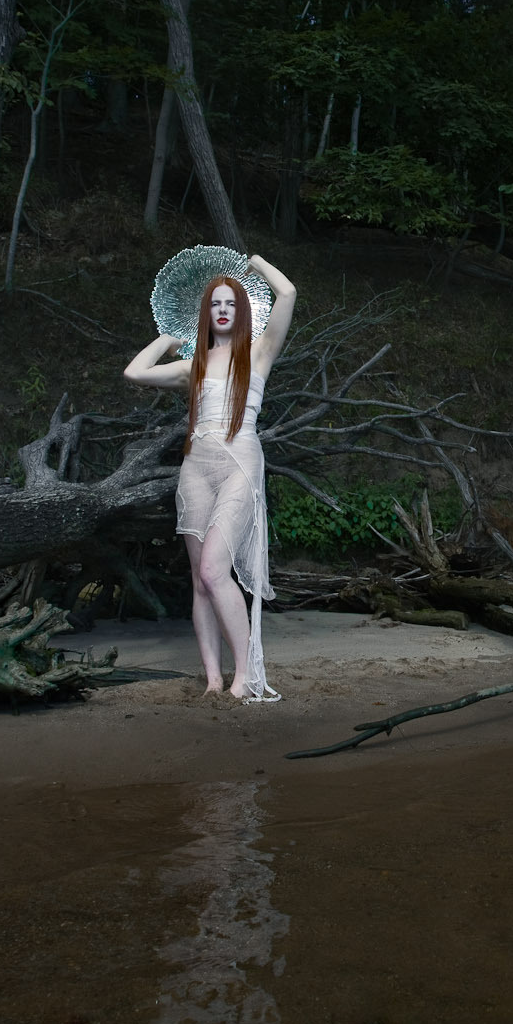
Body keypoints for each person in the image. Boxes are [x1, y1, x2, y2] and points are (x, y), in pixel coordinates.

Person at [123, 254, 297, 700]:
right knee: (200, 580)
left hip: (240, 461)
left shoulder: (259, 352)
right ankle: (213, 678)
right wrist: (167, 338)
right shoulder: (193, 366)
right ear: (207, 313)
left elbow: (289, 293)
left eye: (230, 304)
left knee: (214, 568)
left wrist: (257, 264)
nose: (222, 310)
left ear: (242, 312)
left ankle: (244, 673)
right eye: (215, 304)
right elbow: (135, 372)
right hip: (196, 468)